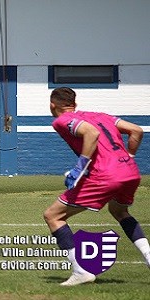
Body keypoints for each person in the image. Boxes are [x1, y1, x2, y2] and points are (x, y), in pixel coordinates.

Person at [44, 87, 150, 286]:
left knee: (53, 216)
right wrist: (130, 156)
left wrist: (80, 166)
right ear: (74, 104)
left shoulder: (61, 121)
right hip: (130, 171)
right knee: (119, 211)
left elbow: (90, 132)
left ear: (52, 105)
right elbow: (136, 130)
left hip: (105, 175)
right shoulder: (100, 115)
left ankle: (80, 271)